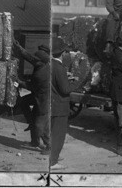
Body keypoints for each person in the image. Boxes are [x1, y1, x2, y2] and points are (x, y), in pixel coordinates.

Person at [14, 41, 51, 152]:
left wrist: (19, 82)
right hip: (37, 96)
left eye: (36, 59)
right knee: (24, 101)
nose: (33, 60)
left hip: (43, 100)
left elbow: (30, 86)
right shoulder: (42, 64)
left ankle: (49, 146)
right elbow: (30, 58)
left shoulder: (41, 74)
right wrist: (19, 48)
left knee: (40, 124)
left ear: (39, 61)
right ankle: (34, 140)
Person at [50, 37, 77, 170]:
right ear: (62, 53)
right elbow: (65, 89)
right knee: (59, 135)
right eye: (66, 52)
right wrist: (74, 83)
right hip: (60, 106)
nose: (67, 54)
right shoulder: (60, 68)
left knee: (52, 132)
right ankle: (53, 162)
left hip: (52, 104)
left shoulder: (51, 64)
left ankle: (52, 156)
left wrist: (66, 78)